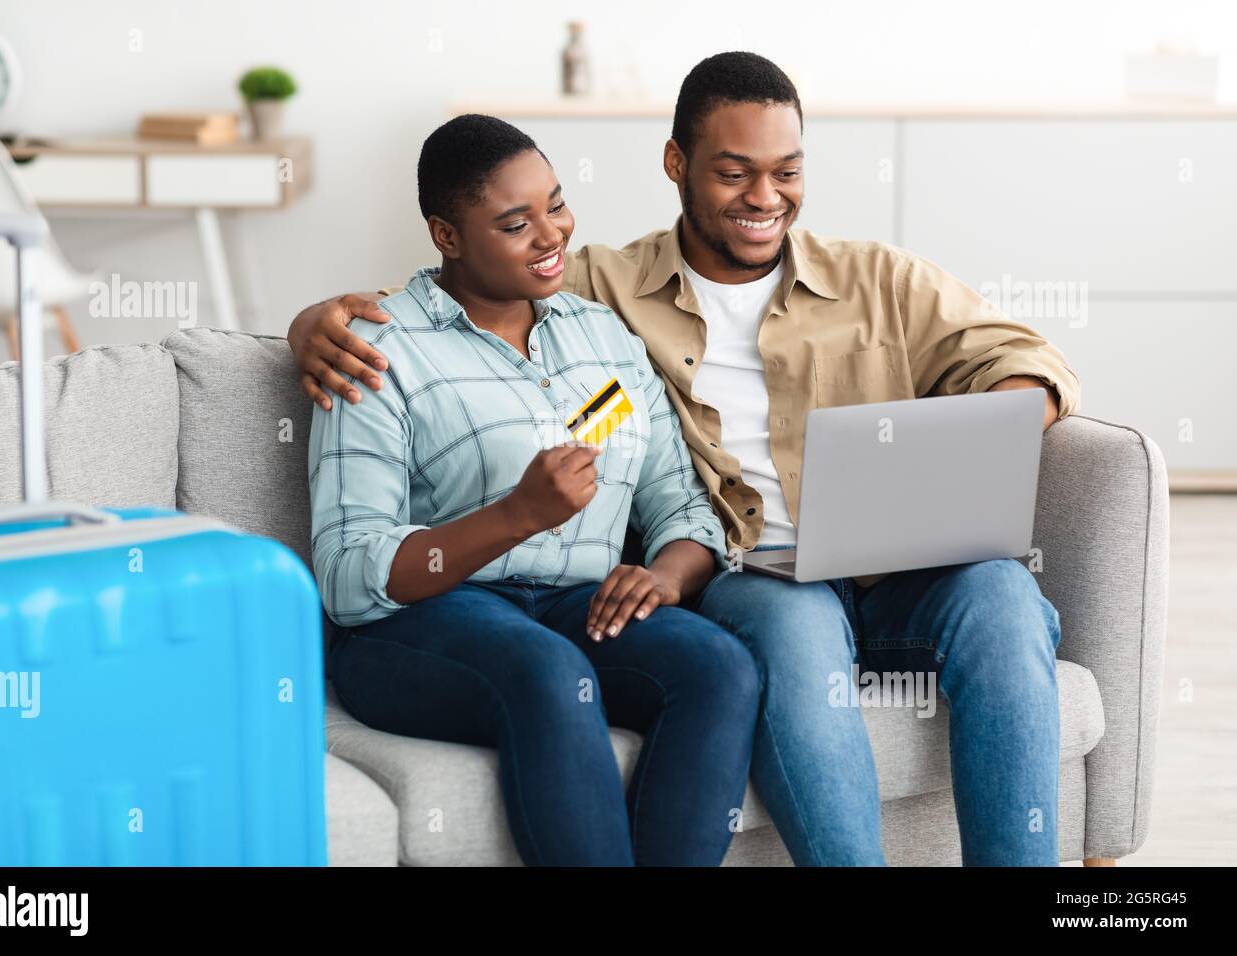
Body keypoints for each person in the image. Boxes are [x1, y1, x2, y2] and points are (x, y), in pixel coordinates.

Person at [296, 54, 1078, 866]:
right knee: (773, 635)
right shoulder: (606, 290)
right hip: (765, 577)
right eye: (736, 173)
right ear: (677, 166)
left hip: (900, 573)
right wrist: (311, 325)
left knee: (1003, 596)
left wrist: (966, 444)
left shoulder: (869, 281)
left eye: (785, 172)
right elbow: (451, 303)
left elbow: (1028, 363)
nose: (764, 199)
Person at [309, 113, 761, 867]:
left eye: (555, 204)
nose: (552, 234)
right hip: (420, 626)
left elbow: (681, 506)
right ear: (446, 236)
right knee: (548, 672)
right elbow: (349, 578)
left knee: (719, 666)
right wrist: (516, 517)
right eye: (516, 222)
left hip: (574, 608)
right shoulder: (376, 352)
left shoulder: (603, 339)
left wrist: (663, 575)